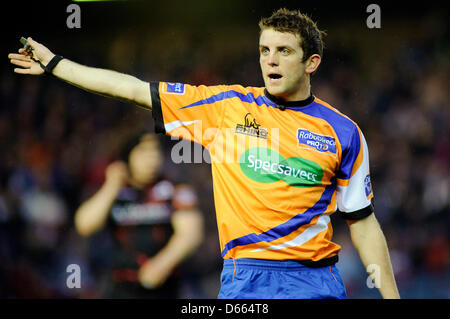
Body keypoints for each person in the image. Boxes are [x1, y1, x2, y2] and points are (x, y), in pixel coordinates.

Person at [8, 8, 400, 299]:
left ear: (311, 62)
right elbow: (131, 89)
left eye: (283, 50)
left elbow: (362, 222)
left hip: (315, 280)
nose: (271, 60)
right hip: (245, 279)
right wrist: (56, 65)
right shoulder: (226, 107)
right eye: (265, 49)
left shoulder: (344, 132)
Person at [73, 132, 204, 298]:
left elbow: (190, 234)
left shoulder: (175, 189)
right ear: (128, 155)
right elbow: (84, 225)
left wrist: (162, 264)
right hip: (121, 287)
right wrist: (111, 187)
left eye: (155, 150)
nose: (152, 158)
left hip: (164, 286)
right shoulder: (114, 192)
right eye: (143, 151)